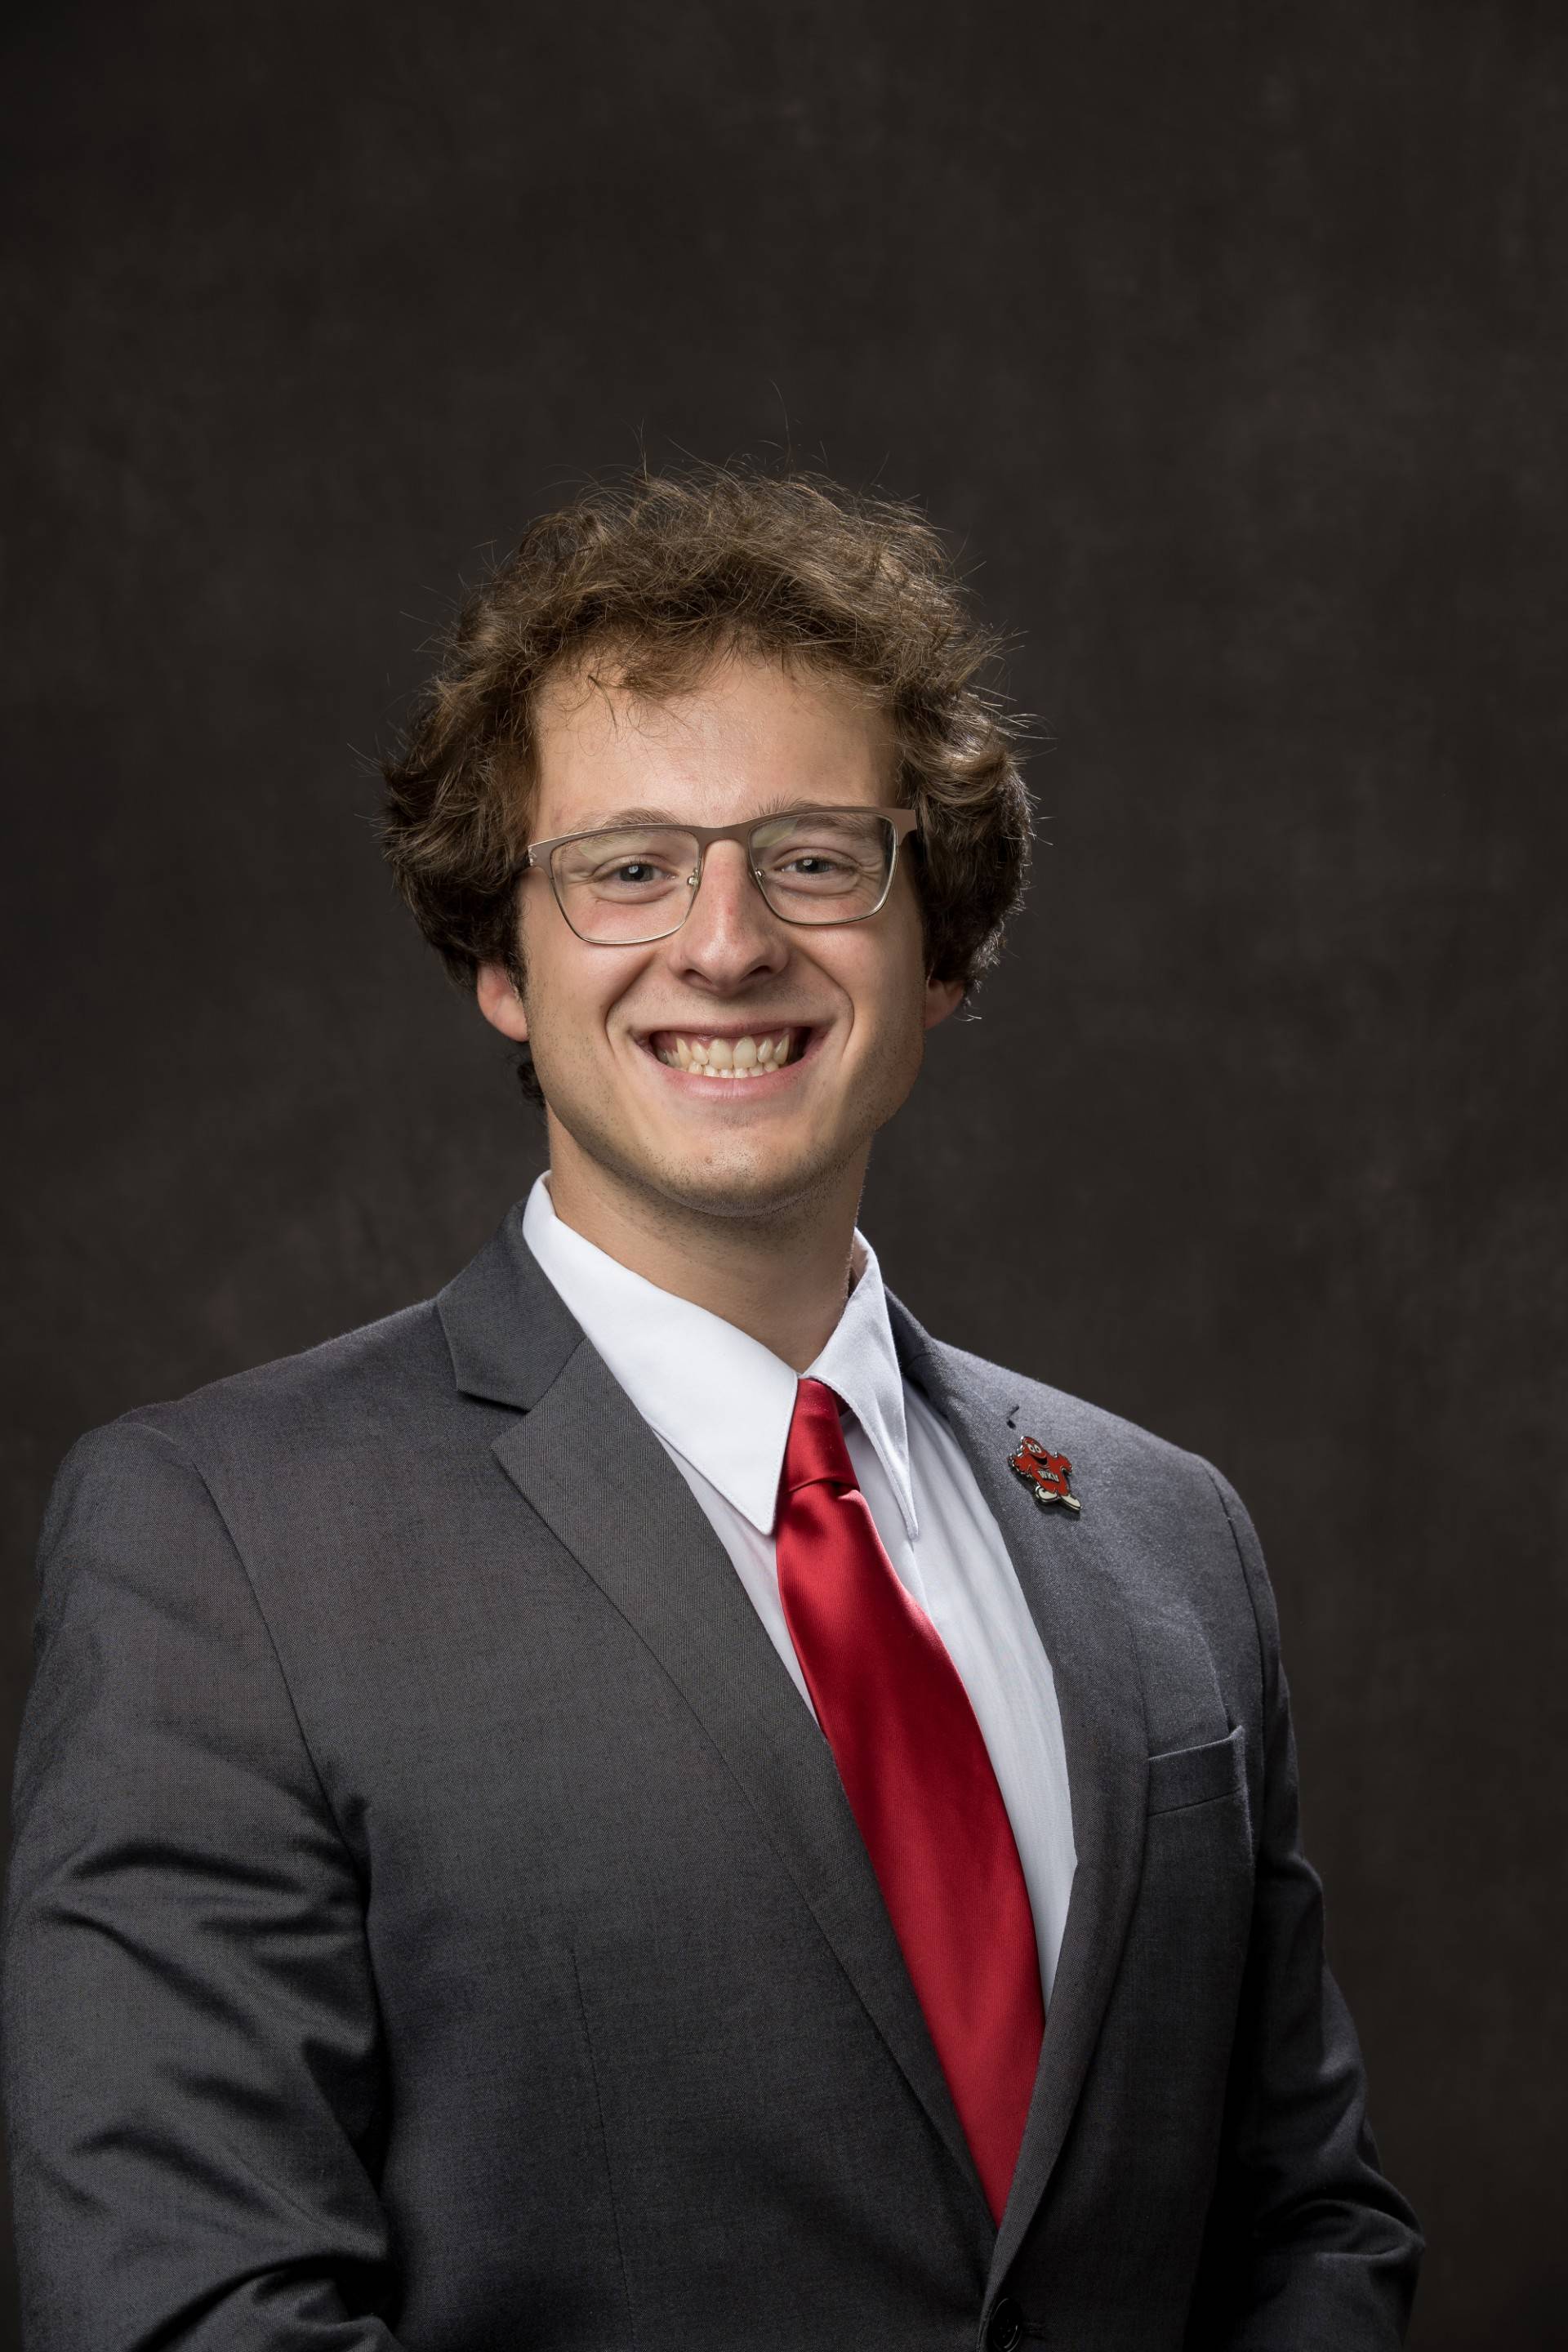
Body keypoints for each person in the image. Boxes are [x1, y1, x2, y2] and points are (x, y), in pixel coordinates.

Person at [3, 466, 1422, 2350]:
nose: (729, 940)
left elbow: (1308, 2227)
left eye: (820, 856)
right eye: (629, 867)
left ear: (944, 949)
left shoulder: (1171, 1539)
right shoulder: (224, 1545)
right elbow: (186, 2310)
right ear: (501, 962)